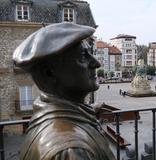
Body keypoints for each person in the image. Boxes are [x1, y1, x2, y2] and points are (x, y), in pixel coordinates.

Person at [13, 23, 116, 160]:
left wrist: (88, 111)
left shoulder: (48, 118)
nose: (96, 63)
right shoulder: (71, 151)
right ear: (49, 73)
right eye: (82, 56)